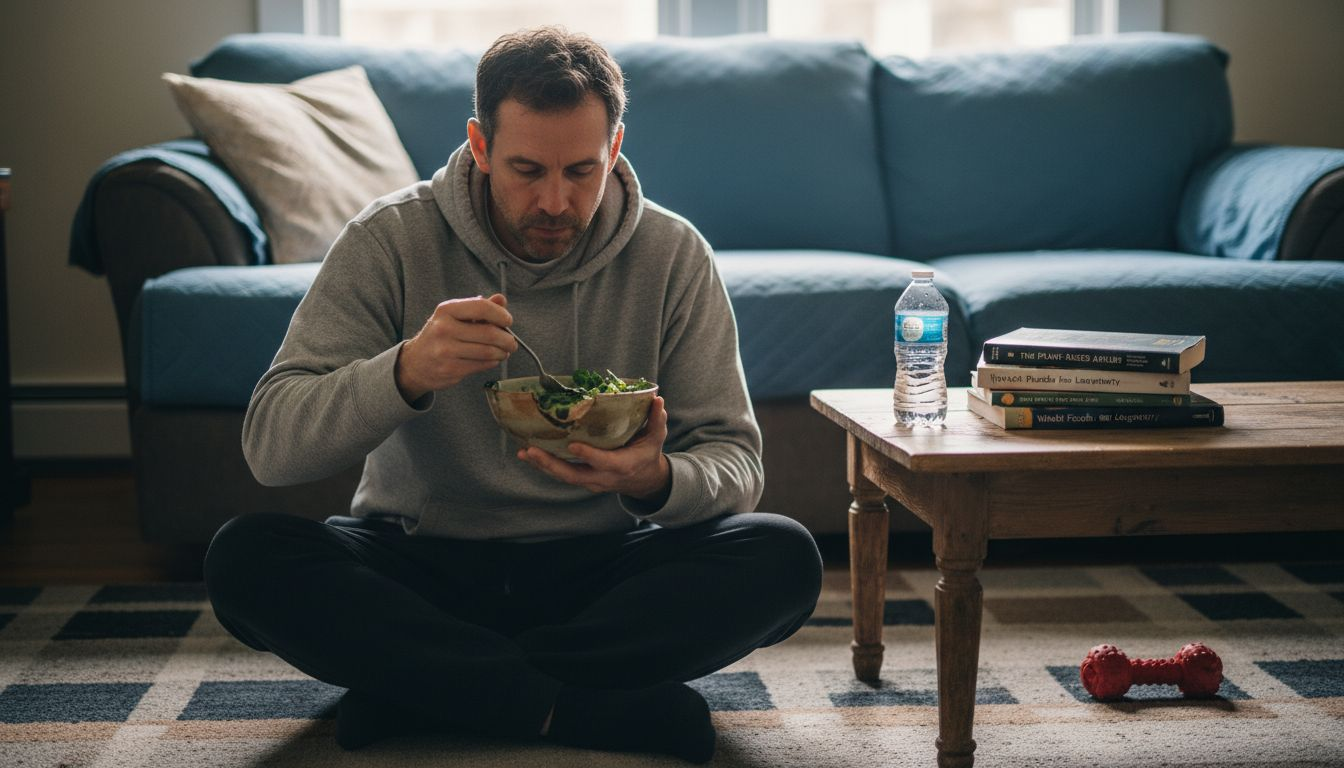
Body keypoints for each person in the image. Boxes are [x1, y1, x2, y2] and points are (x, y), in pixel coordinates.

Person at [203, 26, 823, 764]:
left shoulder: (673, 254)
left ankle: (425, 686)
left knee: (784, 556)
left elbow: (737, 464)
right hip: (423, 562)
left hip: (602, 570)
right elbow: (271, 447)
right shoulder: (389, 241)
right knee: (245, 557)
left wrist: (653, 479)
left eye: (581, 172)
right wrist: (404, 372)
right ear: (480, 144)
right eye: (527, 169)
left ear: (615, 149)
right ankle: (569, 705)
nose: (555, 202)